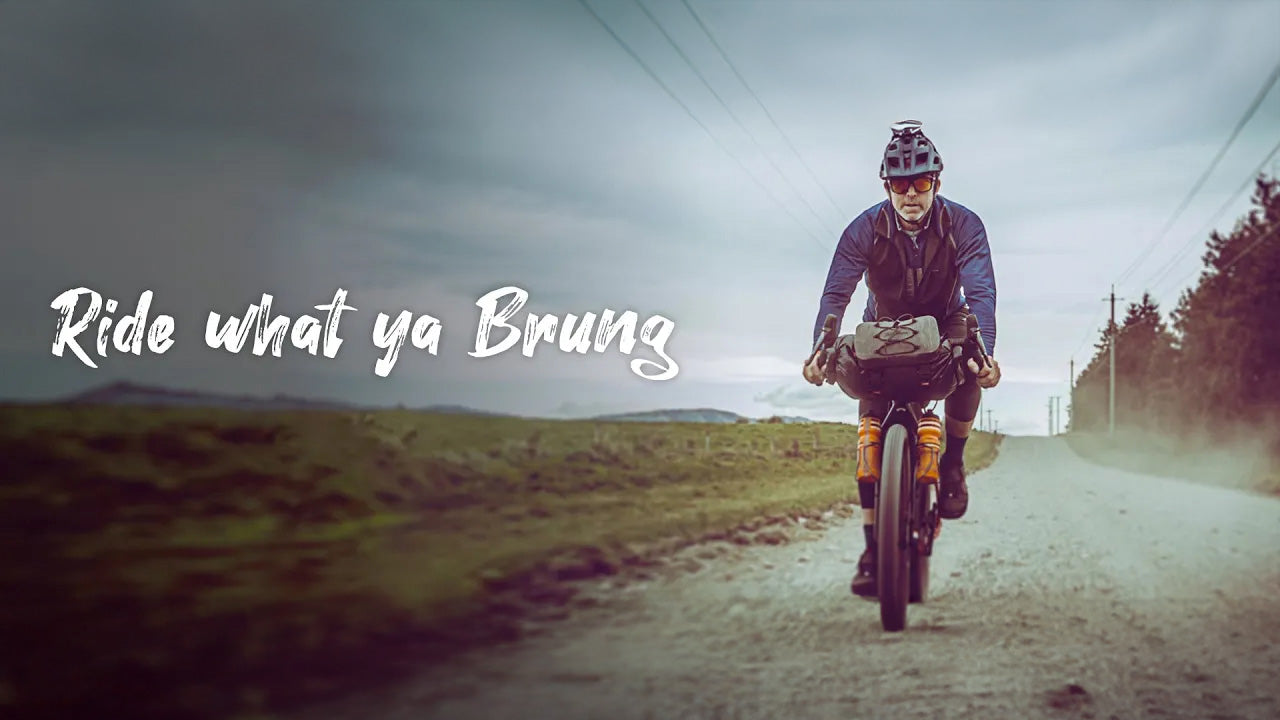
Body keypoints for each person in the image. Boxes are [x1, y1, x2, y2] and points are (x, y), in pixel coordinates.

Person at [802, 120, 1000, 597]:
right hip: (882, 327)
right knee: (870, 439)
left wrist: (986, 351)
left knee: (968, 358)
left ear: (937, 181)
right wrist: (819, 350)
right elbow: (836, 296)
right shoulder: (863, 229)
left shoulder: (965, 225)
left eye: (921, 182)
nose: (910, 194)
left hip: (946, 319)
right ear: (886, 185)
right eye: (899, 184)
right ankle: (874, 550)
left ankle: (952, 461)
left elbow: (981, 292)